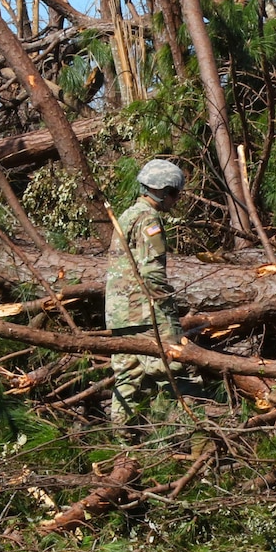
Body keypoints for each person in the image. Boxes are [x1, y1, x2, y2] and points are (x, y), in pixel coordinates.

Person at [106, 159, 187, 426]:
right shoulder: (149, 219)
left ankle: (124, 443)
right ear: (162, 191)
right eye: (175, 194)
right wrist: (169, 310)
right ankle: (188, 434)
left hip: (119, 313)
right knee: (174, 369)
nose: (176, 200)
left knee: (127, 377)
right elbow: (151, 272)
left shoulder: (128, 214)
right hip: (143, 311)